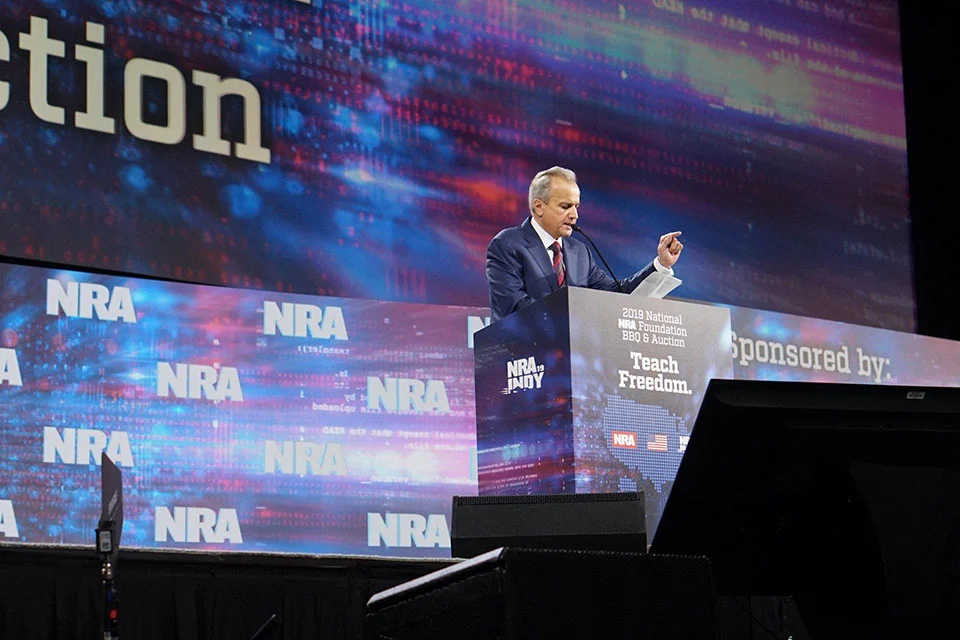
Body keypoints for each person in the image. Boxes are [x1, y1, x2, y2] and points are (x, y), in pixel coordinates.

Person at [486, 166, 683, 322]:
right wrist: (576, 320)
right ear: (539, 207)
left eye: (576, 206)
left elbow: (616, 296)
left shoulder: (579, 252)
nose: (574, 215)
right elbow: (513, 306)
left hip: (573, 354)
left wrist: (661, 264)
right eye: (565, 206)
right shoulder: (508, 245)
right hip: (524, 354)